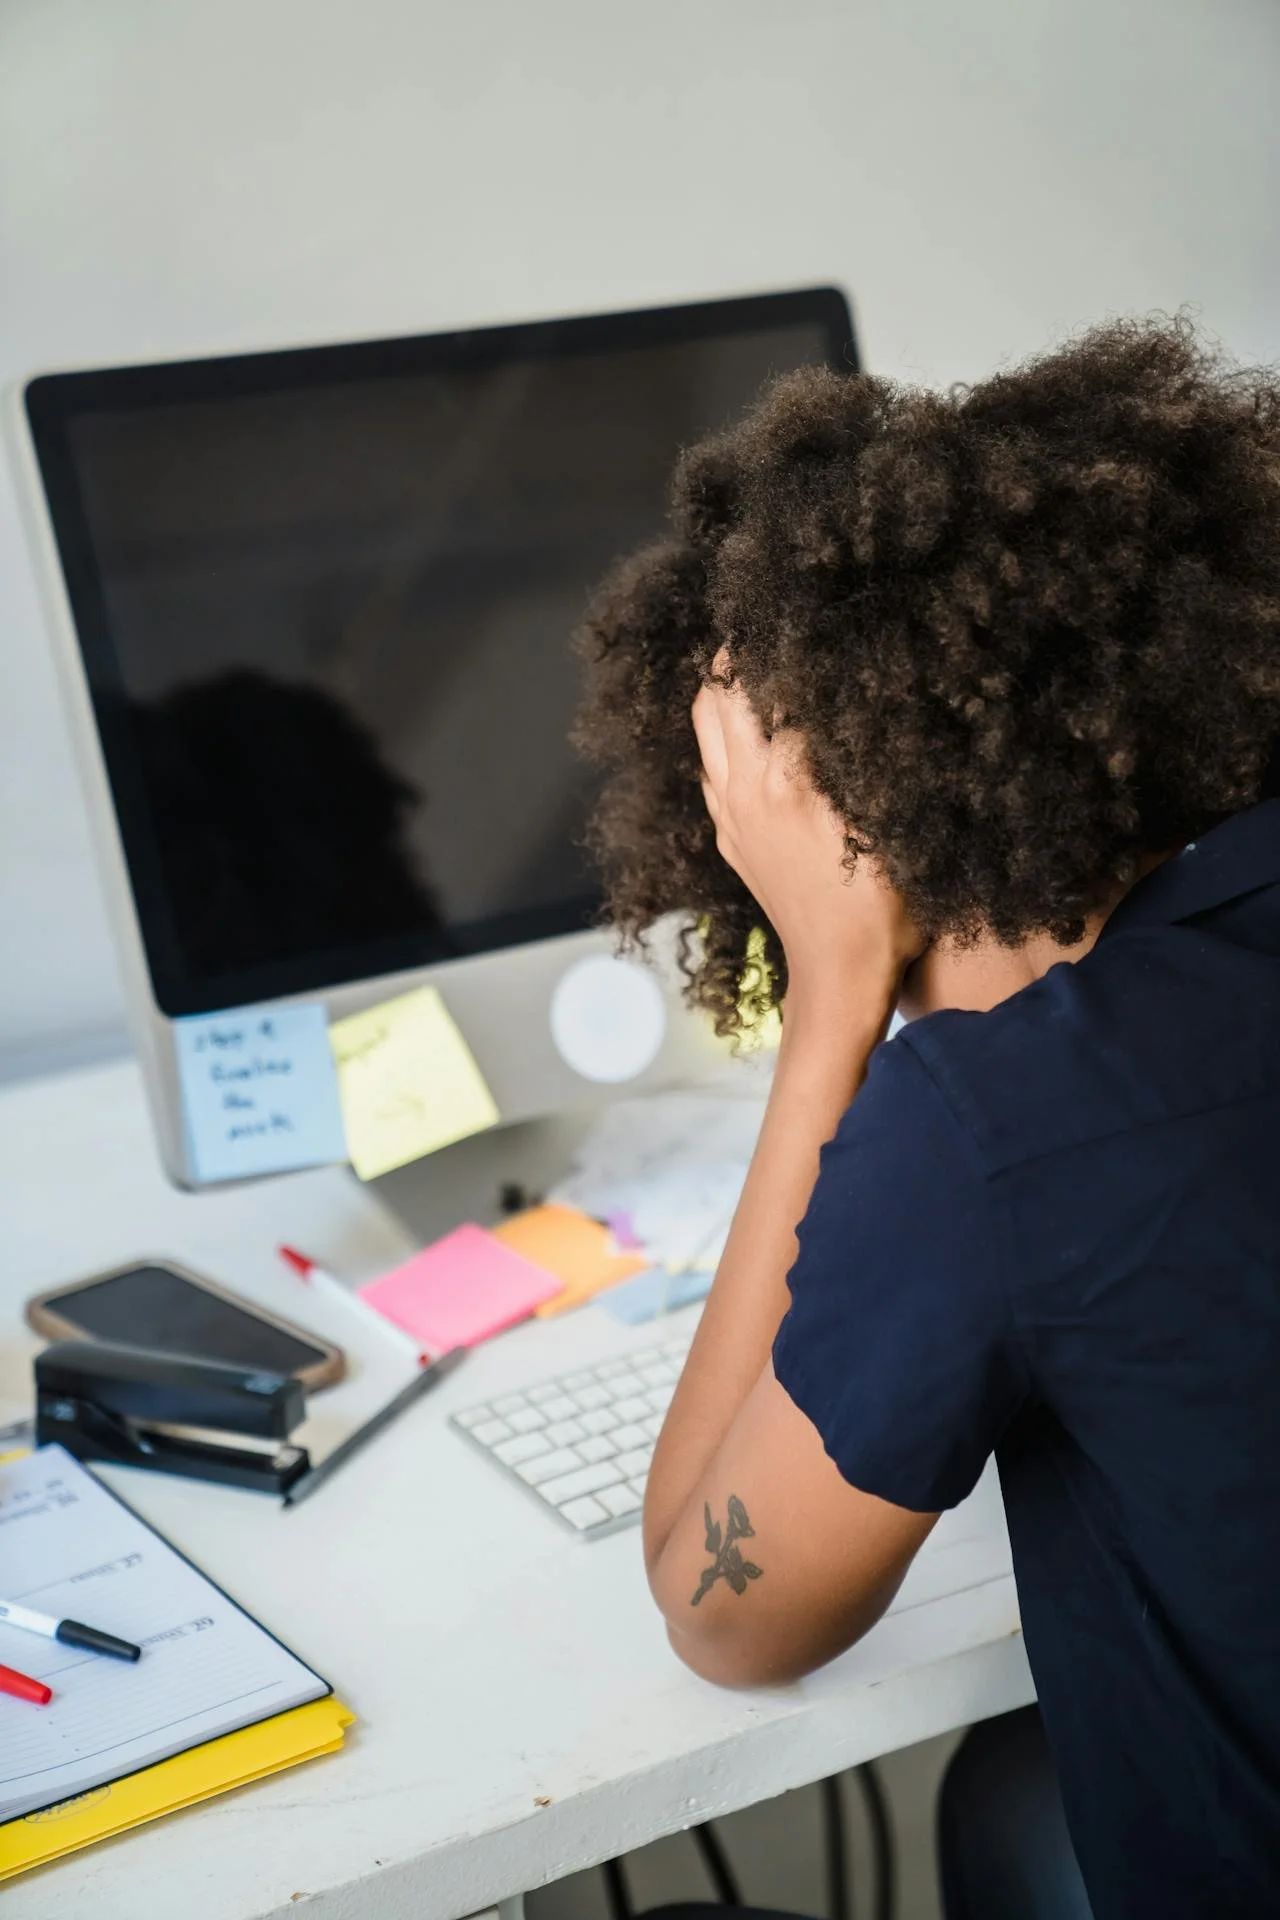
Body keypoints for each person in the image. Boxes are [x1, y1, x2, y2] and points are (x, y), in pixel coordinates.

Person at [572, 317, 1280, 1919]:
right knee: (1012, 1791)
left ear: (857, 848)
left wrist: (833, 991)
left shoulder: (997, 1116)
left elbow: (721, 1606)